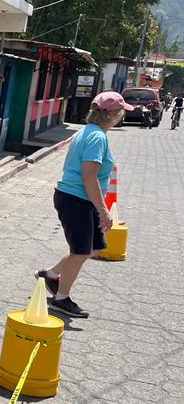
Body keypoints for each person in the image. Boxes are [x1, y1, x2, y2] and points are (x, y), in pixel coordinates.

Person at [36, 91, 129, 318]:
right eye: (122, 112)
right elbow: (89, 177)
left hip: (78, 198)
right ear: (113, 115)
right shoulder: (97, 137)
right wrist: (103, 210)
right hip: (76, 199)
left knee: (94, 247)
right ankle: (61, 298)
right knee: (80, 251)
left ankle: (49, 274)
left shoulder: (89, 131)